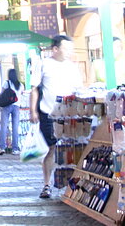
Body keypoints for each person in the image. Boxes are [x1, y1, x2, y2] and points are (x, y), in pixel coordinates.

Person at [30, 35, 82, 199]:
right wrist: (33, 111)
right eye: (65, 48)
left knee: (74, 149)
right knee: (52, 148)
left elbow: (78, 89)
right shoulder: (43, 64)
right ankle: (46, 185)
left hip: (70, 114)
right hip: (48, 113)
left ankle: (73, 186)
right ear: (55, 49)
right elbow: (35, 89)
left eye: (70, 49)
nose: (68, 52)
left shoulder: (72, 67)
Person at [0, 68, 25, 155]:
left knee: (4, 126)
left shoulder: (6, 83)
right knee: (15, 128)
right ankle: (15, 148)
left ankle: (2, 148)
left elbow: (1, 94)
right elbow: (21, 94)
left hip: (6, 106)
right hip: (16, 106)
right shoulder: (20, 85)